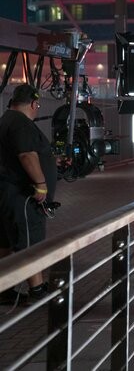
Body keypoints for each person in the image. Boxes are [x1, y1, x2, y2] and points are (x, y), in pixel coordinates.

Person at [0, 84, 58, 303]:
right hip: (22, 196)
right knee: (30, 242)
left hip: (7, 194)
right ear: (34, 104)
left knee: (5, 241)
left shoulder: (6, 119)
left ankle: (4, 289)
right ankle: (37, 291)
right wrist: (41, 184)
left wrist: (52, 162)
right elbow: (26, 155)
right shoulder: (20, 123)